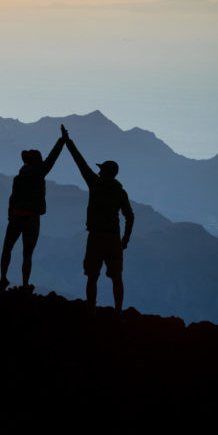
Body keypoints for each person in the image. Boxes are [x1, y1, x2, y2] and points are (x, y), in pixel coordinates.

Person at [61, 124, 134, 315]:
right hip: (114, 239)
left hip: (96, 237)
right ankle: (118, 312)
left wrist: (68, 141)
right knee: (117, 278)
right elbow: (130, 216)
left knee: (92, 276)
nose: (99, 171)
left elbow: (80, 162)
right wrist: (125, 239)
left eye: (101, 169)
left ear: (105, 172)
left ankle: (91, 310)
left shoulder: (95, 183)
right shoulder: (120, 192)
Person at [0, 133, 65, 293]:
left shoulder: (18, 178)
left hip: (15, 217)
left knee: (7, 249)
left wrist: (11, 215)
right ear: (36, 160)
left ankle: (3, 279)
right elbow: (52, 158)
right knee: (27, 254)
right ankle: (25, 284)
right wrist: (62, 141)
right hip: (32, 219)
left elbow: (12, 199)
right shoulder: (39, 173)